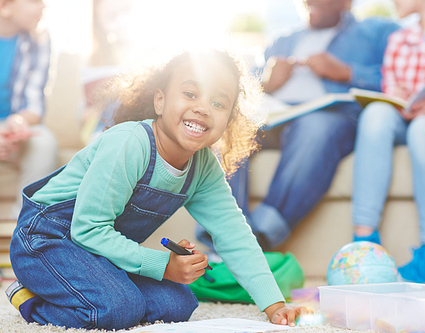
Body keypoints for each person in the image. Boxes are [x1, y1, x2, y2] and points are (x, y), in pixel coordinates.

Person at [6, 50, 310, 330]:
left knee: (179, 303)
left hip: (98, 254)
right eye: (190, 94)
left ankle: (94, 289)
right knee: (117, 309)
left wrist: (274, 305)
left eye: (218, 103)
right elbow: (88, 229)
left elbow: (235, 236)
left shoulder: (203, 167)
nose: (203, 108)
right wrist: (163, 265)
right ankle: (30, 299)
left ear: (228, 121)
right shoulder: (128, 144)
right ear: (160, 101)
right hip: (47, 240)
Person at [197, 0, 400, 251]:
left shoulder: (376, 32)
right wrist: (266, 82)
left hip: (328, 115)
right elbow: (240, 88)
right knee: (231, 125)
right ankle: (222, 232)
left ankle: (258, 235)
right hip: (275, 114)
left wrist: (347, 72)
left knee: (315, 128)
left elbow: (398, 79)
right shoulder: (281, 40)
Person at [350, 0, 425, 284]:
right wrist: (397, 95)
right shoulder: (399, 38)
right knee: (376, 114)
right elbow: (391, 86)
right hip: (402, 116)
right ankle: (364, 245)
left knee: (423, 128)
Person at [0, 0, 58, 219]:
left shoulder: (39, 41)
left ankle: (24, 227)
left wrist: (18, 121)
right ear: (4, 6)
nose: (43, 7)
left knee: (44, 143)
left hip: (13, 128)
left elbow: (35, 105)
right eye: (34, 1)